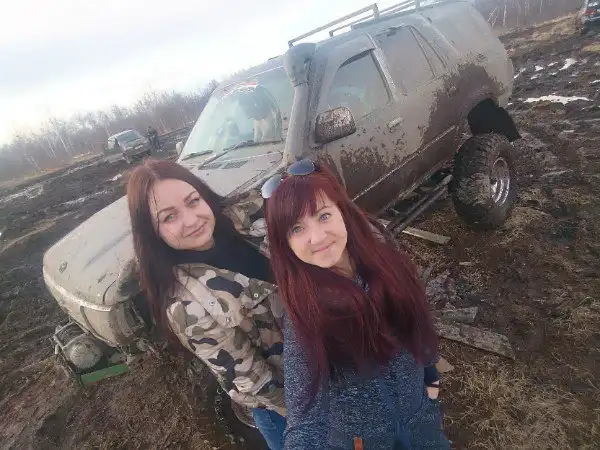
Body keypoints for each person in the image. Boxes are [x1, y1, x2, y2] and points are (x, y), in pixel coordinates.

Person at [261, 159, 449, 449]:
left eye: (323, 216)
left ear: (342, 211)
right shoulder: (304, 315)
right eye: (297, 228)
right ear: (285, 243)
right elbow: (305, 421)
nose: (317, 238)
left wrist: (430, 375)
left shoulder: (387, 260)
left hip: (422, 422)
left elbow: (417, 320)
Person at [126, 159, 287, 449]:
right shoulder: (188, 306)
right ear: (151, 231)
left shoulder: (240, 219)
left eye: (193, 201)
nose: (192, 220)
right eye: (169, 217)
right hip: (288, 405)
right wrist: (321, 411)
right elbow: (256, 382)